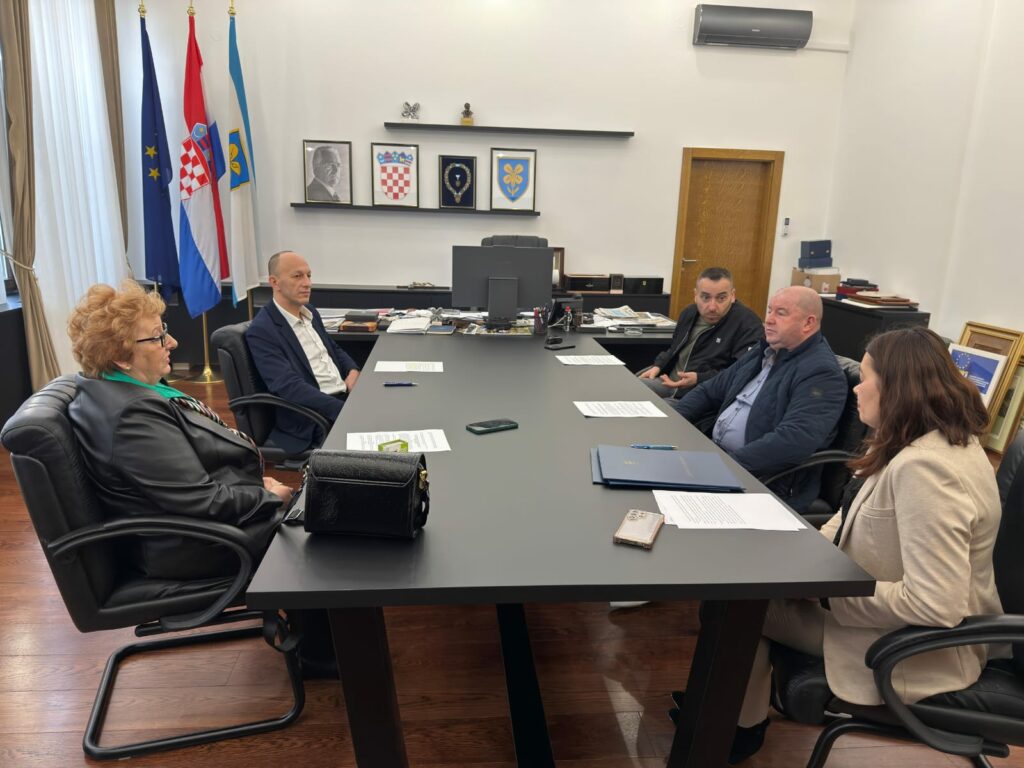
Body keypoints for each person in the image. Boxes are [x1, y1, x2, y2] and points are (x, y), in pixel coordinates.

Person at [717, 325, 1003, 764]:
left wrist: (827, 594)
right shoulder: (921, 441)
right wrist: (802, 557)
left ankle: (726, 729)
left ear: (897, 389)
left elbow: (936, 605)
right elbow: (848, 515)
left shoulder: (927, 470)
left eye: (866, 378)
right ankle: (735, 725)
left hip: (914, 647)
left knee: (737, 604)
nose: (857, 388)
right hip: (884, 617)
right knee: (748, 593)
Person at [67, 281, 293, 581]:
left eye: (165, 330)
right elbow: (202, 500)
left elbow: (188, 477)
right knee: (324, 540)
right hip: (200, 545)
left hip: (212, 525)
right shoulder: (131, 415)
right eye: (158, 337)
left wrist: (252, 486)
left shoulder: (137, 390)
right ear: (120, 356)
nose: (172, 342)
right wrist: (269, 498)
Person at [672, 285, 846, 512]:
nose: (769, 320)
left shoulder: (821, 372)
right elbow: (710, 391)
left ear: (808, 323)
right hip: (720, 457)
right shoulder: (765, 349)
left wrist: (724, 466)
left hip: (762, 479)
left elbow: (793, 440)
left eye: (781, 313)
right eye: (769, 311)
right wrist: (670, 424)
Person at [246, 251, 360, 454]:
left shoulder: (310, 312)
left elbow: (333, 348)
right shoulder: (263, 330)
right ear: (274, 282)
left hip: (342, 397)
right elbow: (288, 386)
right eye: (297, 276)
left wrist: (352, 371)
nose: (307, 283)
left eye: (309, 275)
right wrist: (342, 410)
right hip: (312, 415)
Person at [637, 267, 764, 398]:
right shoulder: (689, 313)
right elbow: (674, 349)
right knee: (630, 388)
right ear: (695, 295)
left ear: (732, 296)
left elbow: (740, 372)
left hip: (700, 394)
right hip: (667, 382)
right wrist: (658, 366)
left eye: (721, 298)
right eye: (705, 297)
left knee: (650, 407)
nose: (712, 307)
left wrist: (699, 378)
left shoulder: (748, 324)